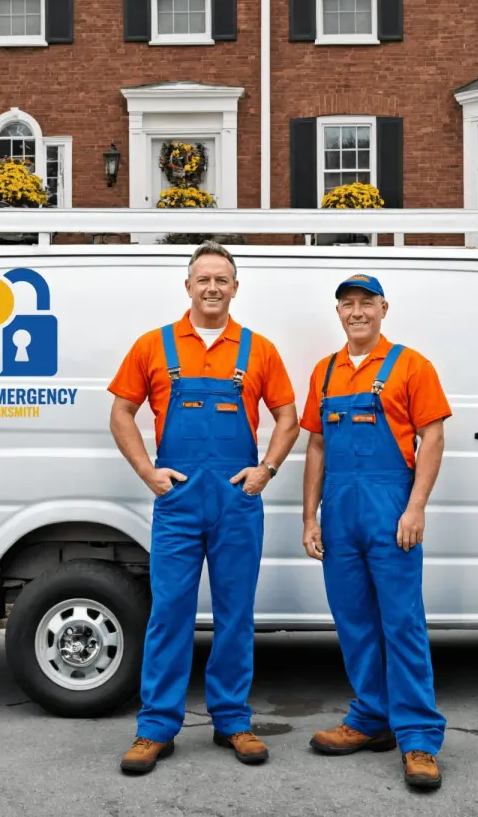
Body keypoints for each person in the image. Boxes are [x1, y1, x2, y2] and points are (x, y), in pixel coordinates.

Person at [108, 241, 299, 774]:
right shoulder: (153, 346)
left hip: (238, 501)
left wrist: (267, 470)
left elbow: (287, 417)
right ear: (187, 286)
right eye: (203, 279)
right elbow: (121, 413)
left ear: (235, 288)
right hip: (179, 502)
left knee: (236, 614)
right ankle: (155, 728)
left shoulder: (259, 350)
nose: (212, 287)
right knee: (169, 612)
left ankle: (233, 720)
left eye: (222, 279)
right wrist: (149, 472)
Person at [300, 273, 451, 790]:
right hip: (340, 511)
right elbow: (316, 448)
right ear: (338, 312)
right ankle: (370, 718)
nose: (357, 311)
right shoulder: (325, 373)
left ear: (384, 308)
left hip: (391, 510)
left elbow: (433, 436)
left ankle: (419, 739)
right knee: (354, 621)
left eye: (367, 302)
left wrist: (415, 508)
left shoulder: (412, 365)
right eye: (348, 303)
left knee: (402, 624)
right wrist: (309, 516)